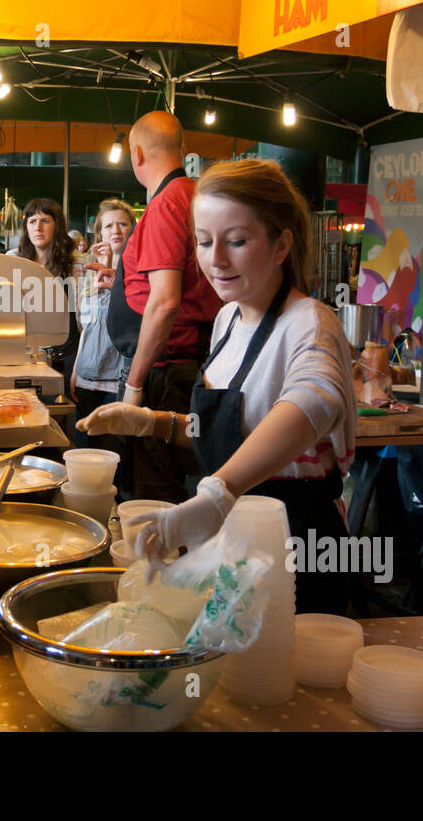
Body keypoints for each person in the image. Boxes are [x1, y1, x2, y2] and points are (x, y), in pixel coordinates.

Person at [80, 159, 356, 614]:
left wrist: (219, 491)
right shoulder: (228, 318)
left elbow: (313, 401)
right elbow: (232, 428)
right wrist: (158, 424)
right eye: (204, 243)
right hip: (237, 538)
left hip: (299, 545)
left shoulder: (309, 322)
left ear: (281, 243)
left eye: (238, 241)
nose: (216, 260)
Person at [106, 111, 221, 502]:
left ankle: (158, 563)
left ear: (136, 154)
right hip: (183, 364)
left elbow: (166, 300)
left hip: (166, 372)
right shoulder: (193, 194)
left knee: (153, 495)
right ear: (183, 149)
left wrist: (134, 385)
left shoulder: (165, 203)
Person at [71, 199, 136, 450]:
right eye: (108, 226)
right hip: (87, 375)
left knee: (113, 453)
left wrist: (112, 270)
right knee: (86, 449)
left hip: (117, 378)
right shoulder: (88, 273)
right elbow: (86, 329)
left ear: (134, 228)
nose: (116, 231)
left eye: (123, 224)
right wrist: (76, 370)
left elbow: (130, 321)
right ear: (99, 233)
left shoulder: (138, 272)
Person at [14, 197, 80, 378]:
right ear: (26, 228)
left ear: (57, 225)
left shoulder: (75, 263)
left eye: (45, 221)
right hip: (26, 354)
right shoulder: (14, 262)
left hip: (67, 355)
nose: (38, 227)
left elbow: (85, 319)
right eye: (32, 221)